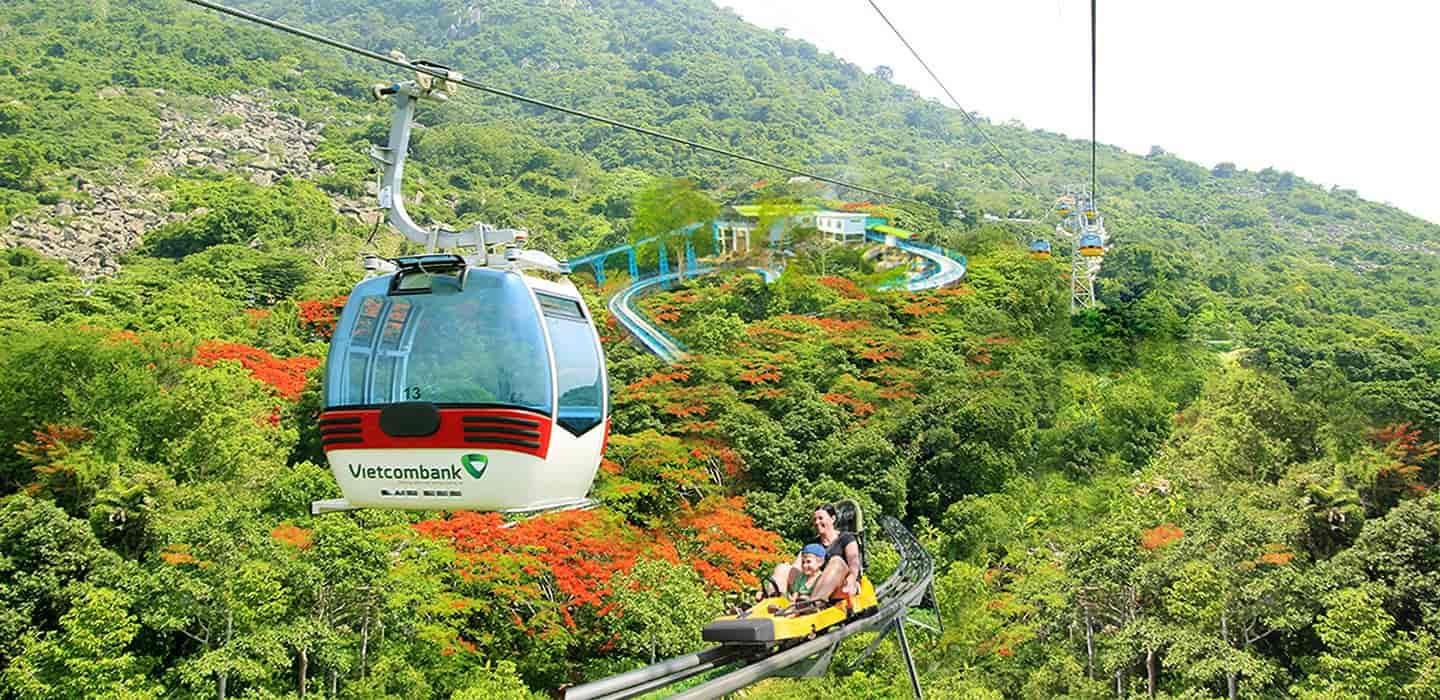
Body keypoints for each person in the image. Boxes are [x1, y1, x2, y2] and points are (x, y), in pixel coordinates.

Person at [769, 504, 863, 603]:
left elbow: (854, 564)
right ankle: (775, 601)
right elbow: (797, 566)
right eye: (814, 519)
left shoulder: (846, 538)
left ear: (833, 518)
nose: (817, 522)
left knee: (836, 561)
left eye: (820, 518)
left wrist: (852, 579)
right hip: (812, 585)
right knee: (782, 568)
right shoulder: (812, 545)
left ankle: (815, 603)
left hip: (839, 586)